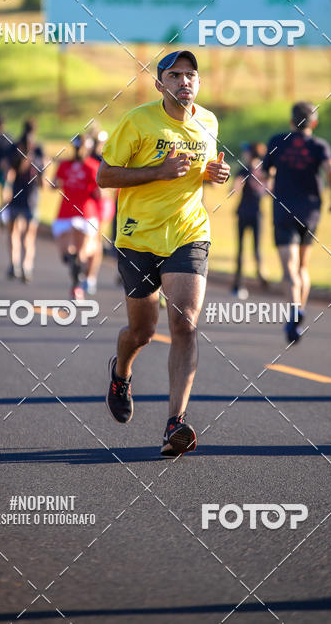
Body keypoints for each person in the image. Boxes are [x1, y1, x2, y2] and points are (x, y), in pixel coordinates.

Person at [98, 49, 230, 457]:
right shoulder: (137, 121)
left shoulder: (208, 121)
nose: (184, 82)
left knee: (185, 323)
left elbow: (203, 169)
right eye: (174, 75)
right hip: (138, 238)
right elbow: (105, 176)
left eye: (191, 75)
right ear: (160, 85)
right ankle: (121, 373)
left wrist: (215, 174)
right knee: (142, 332)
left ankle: (176, 423)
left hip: (189, 233)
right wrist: (157, 171)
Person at [261, 101, 331, 344]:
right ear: (314, 122)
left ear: (291, 122)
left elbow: (264, 174)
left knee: (289, 268)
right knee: (303, 266)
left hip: (283, 211)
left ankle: (293, 311)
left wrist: (273, 178)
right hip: (311, 212)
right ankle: (301, 310)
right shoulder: (319, 145)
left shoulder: (276, 141)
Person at [52, 134, 101, 298]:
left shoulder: (92, 166)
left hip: (85, 214)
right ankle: (78, 280)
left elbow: (98, 192)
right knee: (66, 255)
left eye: (82, 148)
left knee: (80, 254)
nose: (80, 151)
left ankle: (76, 286)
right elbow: (55, 184)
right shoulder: (64, 165)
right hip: (65, 213)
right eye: (77, 148)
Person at [3, 124, 46, 282]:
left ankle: (22, 265)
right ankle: (20, 265)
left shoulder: (35, 155)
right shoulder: (18, 153)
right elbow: (10, 172)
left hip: (27, 199)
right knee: (21, 234)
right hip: (24, 199)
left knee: (23, 234)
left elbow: (42, 182)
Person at [232, 142, 268, 297]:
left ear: (250, 154)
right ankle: (261, 274)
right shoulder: (263, 171)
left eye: (246, 152)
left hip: (243, 213)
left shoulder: (244, 169)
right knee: (256, 249)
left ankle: (238, 284)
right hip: (257, 214)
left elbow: (233, 189)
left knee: (240, 250)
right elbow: (267, 191)